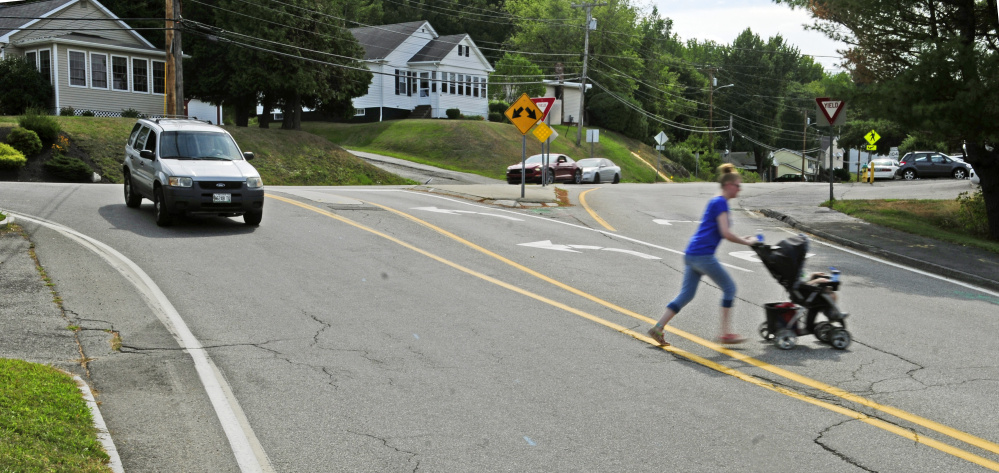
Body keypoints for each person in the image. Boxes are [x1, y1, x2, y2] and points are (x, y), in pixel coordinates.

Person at [648, 164, 758, 346]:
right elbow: (725, 233)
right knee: (730, 288)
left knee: (686, 294)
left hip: (692, 254)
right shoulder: (721, 203)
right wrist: (747, 242)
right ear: (729, 185)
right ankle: (726, 333)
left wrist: (743, 238)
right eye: (738, 185)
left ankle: (658, 327)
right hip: (703, 255)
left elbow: (722, 231)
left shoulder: (716, 202)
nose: (740, 189)